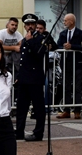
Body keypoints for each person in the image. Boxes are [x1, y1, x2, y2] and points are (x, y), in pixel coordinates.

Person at [16, 13, 54, 142]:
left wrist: (31, 40)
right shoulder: (25, 39)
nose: (30, 26)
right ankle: (19, 131)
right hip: (24, 78)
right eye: (27, 24)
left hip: (35, 78)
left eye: (32, 24)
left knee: (38, 108)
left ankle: (38, 133)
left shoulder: (40, 38)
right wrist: (19, 76)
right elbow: (23, 59)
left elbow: (39, 54)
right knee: (21, 107)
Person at [55, 13, 82, 119]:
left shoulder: (80, 33)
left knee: (77, 87)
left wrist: (72, 46)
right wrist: (63, 46)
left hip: (77, 63)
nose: (64, 22)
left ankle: (77, 110)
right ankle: (67, 110)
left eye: (65, 20)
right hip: (66, 63)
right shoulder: (63, 33)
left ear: (71, 21)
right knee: (66, 86)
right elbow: (58, 45)